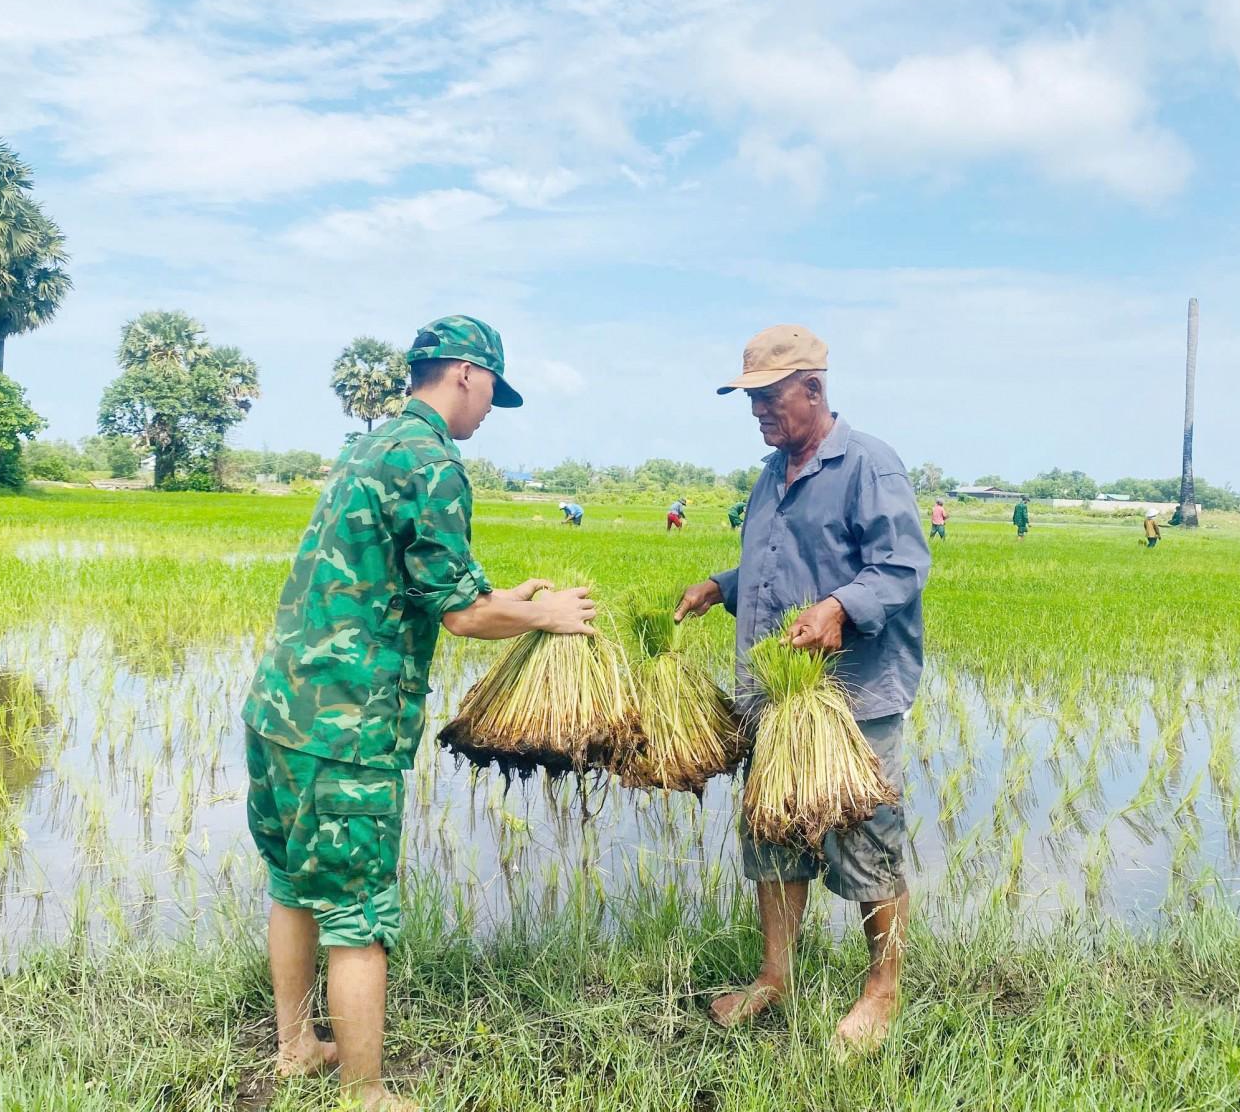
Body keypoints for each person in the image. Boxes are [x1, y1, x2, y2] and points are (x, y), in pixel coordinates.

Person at [240, 315, 596, 1110]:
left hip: (282, 706)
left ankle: (297, 1046)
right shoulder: (434, 460)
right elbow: (462, 616)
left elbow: (424, 586)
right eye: (490, 396)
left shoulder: (369, 445)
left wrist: (508, 598)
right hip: (349, 727)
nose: (487, 415)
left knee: (294, 881)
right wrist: (546, 616)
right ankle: (366, 1096)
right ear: (464, 375)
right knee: (359, 912)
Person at [675, 324, 930, 1050]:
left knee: (865, 837)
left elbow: (902, 568)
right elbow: (776, 566)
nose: (757, 410)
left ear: (813, 389)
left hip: (852, 702)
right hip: (775, 700)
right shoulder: (771, 473)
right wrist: (719, 586)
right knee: (774, 831)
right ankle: (774, 976)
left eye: (768, 396)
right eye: (750, 398)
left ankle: (882, 993)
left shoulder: (868, 466)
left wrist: (840, 609)